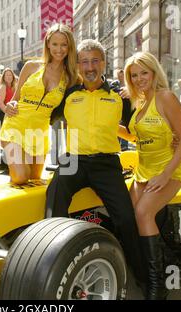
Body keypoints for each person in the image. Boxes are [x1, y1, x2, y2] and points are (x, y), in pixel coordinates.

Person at [45, 39, 146, 294]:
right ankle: (50, 265)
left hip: (106, 163)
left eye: (95, 61)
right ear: (78, 65)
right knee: (53, 197)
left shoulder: (118, 96)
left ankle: (144, 278)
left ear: (103, 63)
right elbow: (38, 112)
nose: (90, 67)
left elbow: (137, 129)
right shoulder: (68, 94)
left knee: (125, 218)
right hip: (73, 160)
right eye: (84, 61)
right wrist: (11, 106)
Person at [123, 51, 181, 299]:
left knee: (143, 213)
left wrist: (165, 175)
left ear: (154, 72)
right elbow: (135, 136)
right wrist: (106, 126)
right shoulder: (140, 102)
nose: (140, 78)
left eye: (144, 73)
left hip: (168, 171)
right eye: (134, 75)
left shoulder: (165, 97)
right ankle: (165, 260)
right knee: (129, 218)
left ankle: (157, 286)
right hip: (142, 172)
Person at [0, 23, 78, 185]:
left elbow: (91, 85)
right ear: (48, 44)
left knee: (34, 182)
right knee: (21, 177)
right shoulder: (31, 66)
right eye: (55, 44)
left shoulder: (70, 77)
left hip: (40, 133)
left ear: (69, 47)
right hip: (16, 126)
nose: (59, 49)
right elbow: (16, 97)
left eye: (64, 44)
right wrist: (10, 105)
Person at [111, 68, 132, 151]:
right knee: (118, 125)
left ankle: (124, 145)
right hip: (118, 107)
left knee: (126, 126)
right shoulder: (115, 84)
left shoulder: (128, 84)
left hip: (127, 107)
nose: (120, 76)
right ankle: (117, 144)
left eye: (122, 75)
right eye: (119, 75)